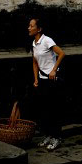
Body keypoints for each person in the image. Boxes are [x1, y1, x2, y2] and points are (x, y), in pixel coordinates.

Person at [28, 17, 66, 150]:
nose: (29, 28)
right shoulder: (34, 43)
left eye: (31, 26)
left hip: (52, 80)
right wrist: (36, 79)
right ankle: (48, 135)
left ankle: (57, 137)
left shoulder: (47, 40)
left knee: (54, 109)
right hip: (42, 80)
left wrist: (54, 70)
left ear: (39, 29)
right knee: (44, 110)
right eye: (29, 25)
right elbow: (34, 62)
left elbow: (61, 53)